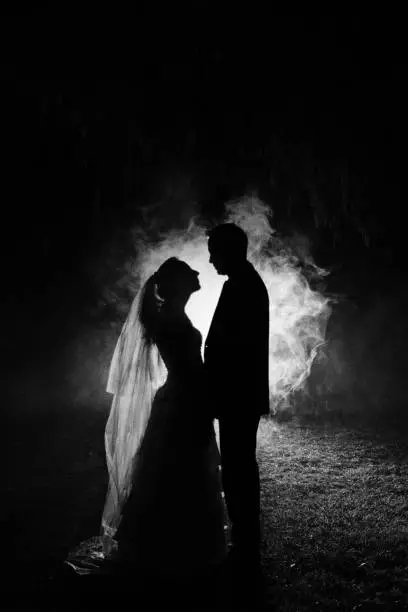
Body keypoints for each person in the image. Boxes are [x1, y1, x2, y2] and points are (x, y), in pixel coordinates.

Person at [65, 257, 227, 590]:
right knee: (177, 467)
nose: (198, 273)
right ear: (178, 284)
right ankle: (171, 546)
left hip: (185, 398)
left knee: (182, 467)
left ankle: (181, 543)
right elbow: (186, 366)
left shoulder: (173, 317)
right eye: (189, 272)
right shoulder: (168, 320)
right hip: (182, 401)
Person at [204, 223, 270, 568]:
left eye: (215, 251)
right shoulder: (244, 282)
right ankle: (245, 536)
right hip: (239, 392)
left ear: (230, 250)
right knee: (238, 464)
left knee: (238, 466)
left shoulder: (243, 286)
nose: (211, 259)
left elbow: (233, 347)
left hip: (237, 394)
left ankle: (245, 540)